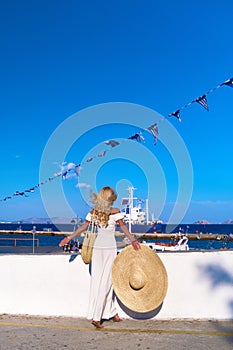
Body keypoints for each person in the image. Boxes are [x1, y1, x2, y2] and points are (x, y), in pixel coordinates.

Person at [59, 186, 141, 328]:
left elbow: (82, 228)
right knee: (107, 282)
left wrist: (68, 238)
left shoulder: (94, 213)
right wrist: (133, 240)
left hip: (97, 249)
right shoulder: (115, 213)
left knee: (99, 281)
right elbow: (124, 228)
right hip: (109, 249)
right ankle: (97, 317)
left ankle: (110, 312)